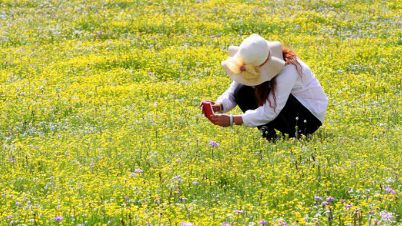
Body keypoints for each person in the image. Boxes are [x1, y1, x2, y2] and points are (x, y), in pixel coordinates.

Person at [201, 34, 328, 141]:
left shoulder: (289, 68)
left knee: (255, 92)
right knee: (242, 89)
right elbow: (234, 91)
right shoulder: (251, 60)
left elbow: (272, 109)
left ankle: (291, 135)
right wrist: (219, 105)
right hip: (284, 109)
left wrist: (233, 120)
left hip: (308, 117)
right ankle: (270, 135)